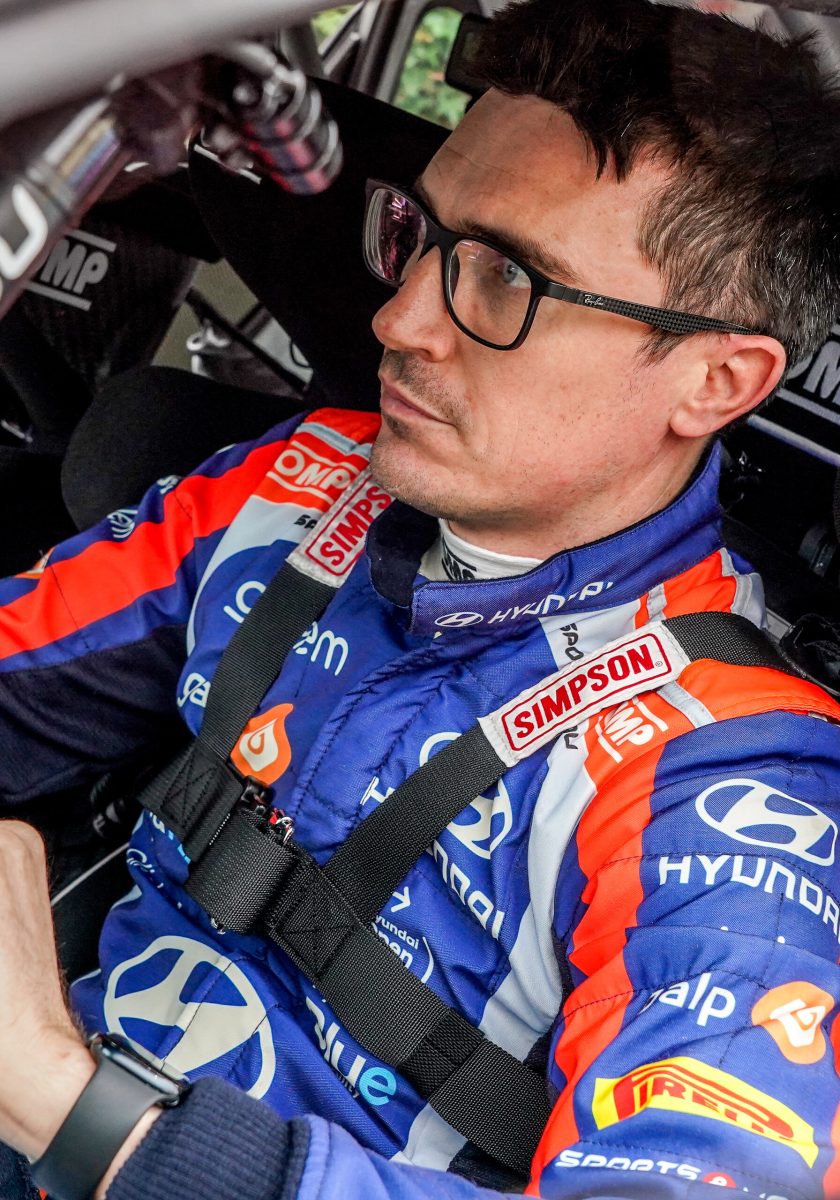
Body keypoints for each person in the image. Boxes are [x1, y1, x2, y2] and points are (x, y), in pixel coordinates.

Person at [0, 0, 839, 1197]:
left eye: (505, 278)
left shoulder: (730, 785)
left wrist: (62, 1099)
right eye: (419, 234)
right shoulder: (300, 488)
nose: (397, 318)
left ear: (715, 379)